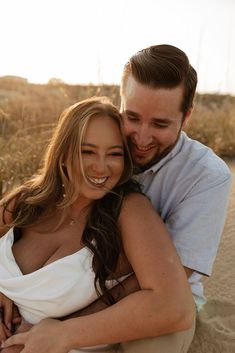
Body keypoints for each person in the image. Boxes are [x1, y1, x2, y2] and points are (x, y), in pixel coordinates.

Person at [0, 96, 194, 353]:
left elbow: (173, 306)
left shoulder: (129, 210)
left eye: (114, 154)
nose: (101, 167)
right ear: (63, 152)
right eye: (87, 151)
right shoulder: (26, 201)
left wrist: (61, 334)